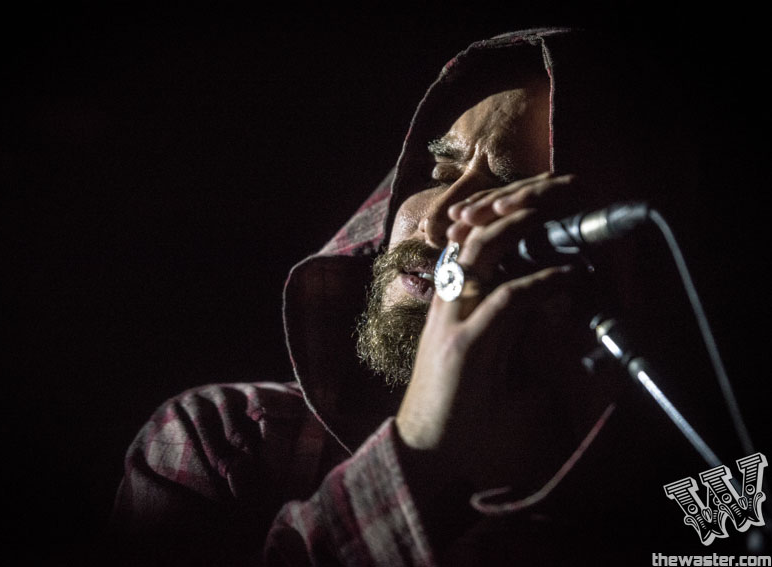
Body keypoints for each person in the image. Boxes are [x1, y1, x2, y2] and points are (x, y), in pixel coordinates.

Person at [110, 28, 758, 565]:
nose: (441, 217)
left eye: (505, 193)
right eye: (439, 171)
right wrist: (416, 450)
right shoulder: (227, 442)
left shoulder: (690, 500)